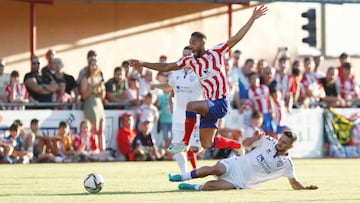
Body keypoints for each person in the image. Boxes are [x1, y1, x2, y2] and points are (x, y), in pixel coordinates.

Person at [130, 5, 268, 154]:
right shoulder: (190, 60)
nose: (191, 46)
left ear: (203, 43)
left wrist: (252, 19)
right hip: (208, 107)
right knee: (207, 143)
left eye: (194, 43)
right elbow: (167, 67)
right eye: (190, 43)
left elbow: (237, 38)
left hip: (220, 102)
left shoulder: (216, 52)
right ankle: (236, 145)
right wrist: (143, 63)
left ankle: (184, 142)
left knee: (190, 106)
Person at [168, 130, 319, 191]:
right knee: (214, 169)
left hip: (242, 182)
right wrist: (253, 138)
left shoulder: (287, 165)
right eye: (280, 140)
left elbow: (293, 183)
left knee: (210, 187)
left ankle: (192, 187)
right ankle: (181, 176)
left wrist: (305, 189)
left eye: (284, 143)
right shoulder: (268, 140)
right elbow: (244, 144)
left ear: (291, 147)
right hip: (236, 164)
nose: (279, 143)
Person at [79, 58, 106, 151]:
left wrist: (102, 89)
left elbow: (102, 96)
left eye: (95, 65)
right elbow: (84, 95)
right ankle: (95, 149)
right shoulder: (86, 79)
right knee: (94, 129)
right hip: (90, 103)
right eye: (92, 65)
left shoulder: (99, 78)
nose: (94, 67)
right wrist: (95, 87)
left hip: (99, 104)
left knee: (101, 129)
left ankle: (102, 150)